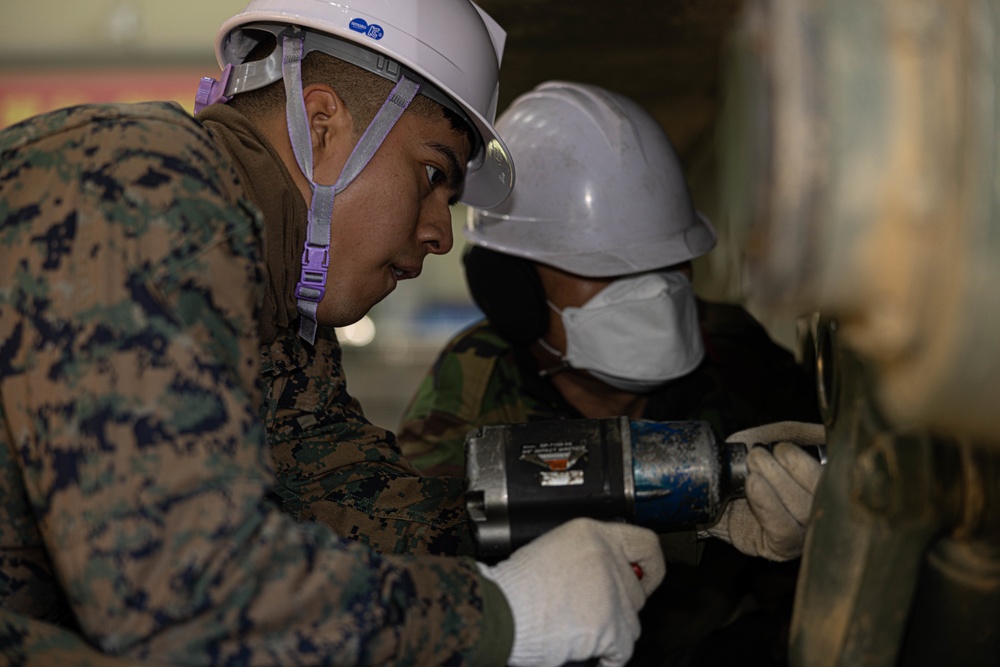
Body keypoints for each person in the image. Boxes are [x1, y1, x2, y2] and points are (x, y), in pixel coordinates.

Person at [0, 4, 668, 666]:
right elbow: (186, 600)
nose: (441, 234)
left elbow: (367, 512)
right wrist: (504, 615)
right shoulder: (143, 194)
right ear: (324, 125)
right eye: (434, 175)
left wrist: (681, 486)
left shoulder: (275, 298)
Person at [396, 81, 826, 666]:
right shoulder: (469, 394)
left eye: (670, 260)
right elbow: (427, 581)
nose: (657, 291)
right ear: (513, 293)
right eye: (606, 270)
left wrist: (818, 529)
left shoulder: (738, 355)